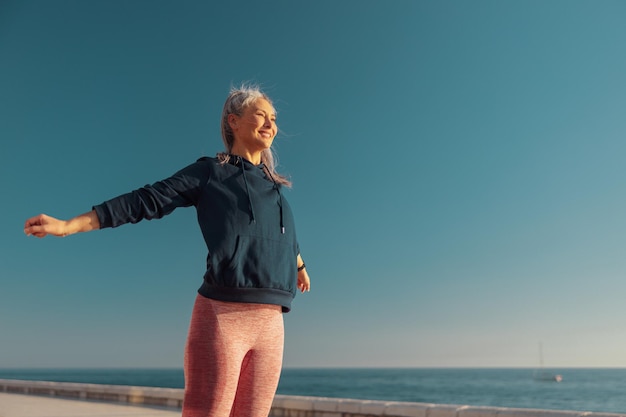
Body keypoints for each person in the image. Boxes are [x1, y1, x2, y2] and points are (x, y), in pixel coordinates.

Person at [23, 85, 311, 417]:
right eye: (261, 115)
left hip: (272, 324)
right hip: (222, 317)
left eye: (273, 118)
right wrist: (68, 225)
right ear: (233, 121)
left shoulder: (275, 187)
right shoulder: (210, 173)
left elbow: (281, 233)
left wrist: (299, 265)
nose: (270, 124)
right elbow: (146, 200)